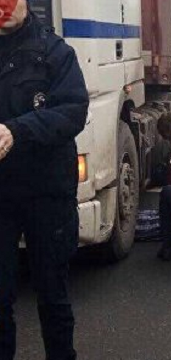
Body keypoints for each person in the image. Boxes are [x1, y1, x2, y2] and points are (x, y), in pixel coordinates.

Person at [0, 1, 89, 359]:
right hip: (1, 197)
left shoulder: (55, 52)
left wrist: (16, 131)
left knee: (53, 294)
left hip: (46, 192)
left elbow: (73, 111)